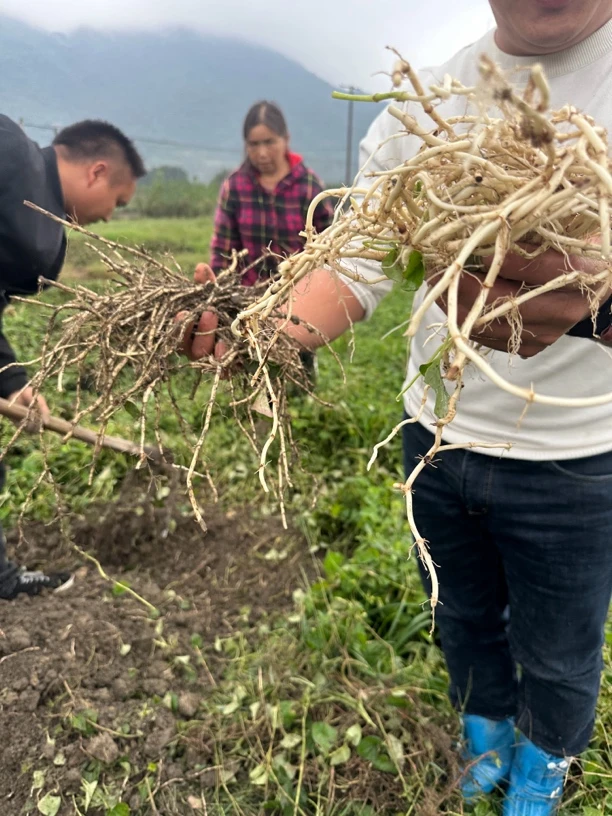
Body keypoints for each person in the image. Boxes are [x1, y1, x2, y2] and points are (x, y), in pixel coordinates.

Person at [186, 2, 612, 812]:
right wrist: (262, 337)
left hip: (580, 461)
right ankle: (486, 727)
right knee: (460, 613)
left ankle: (547, 756)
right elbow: (356, 259)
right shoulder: (433, 98)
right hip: (440, 439)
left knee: (560, 650)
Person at [0, 116, 145, 599]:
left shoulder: (15, 155)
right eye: (117, 203)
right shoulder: (29, 215)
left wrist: (11, 381)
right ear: (97, 172)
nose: (108, 218)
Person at [210, 100, 334, 283]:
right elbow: (223, 251)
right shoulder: (235, 187)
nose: (262, 153)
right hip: (246, 299)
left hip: (300, 295)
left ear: (286, 139)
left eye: (269, 142)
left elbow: (329, 248)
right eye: (254, 144)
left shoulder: (308, 187)